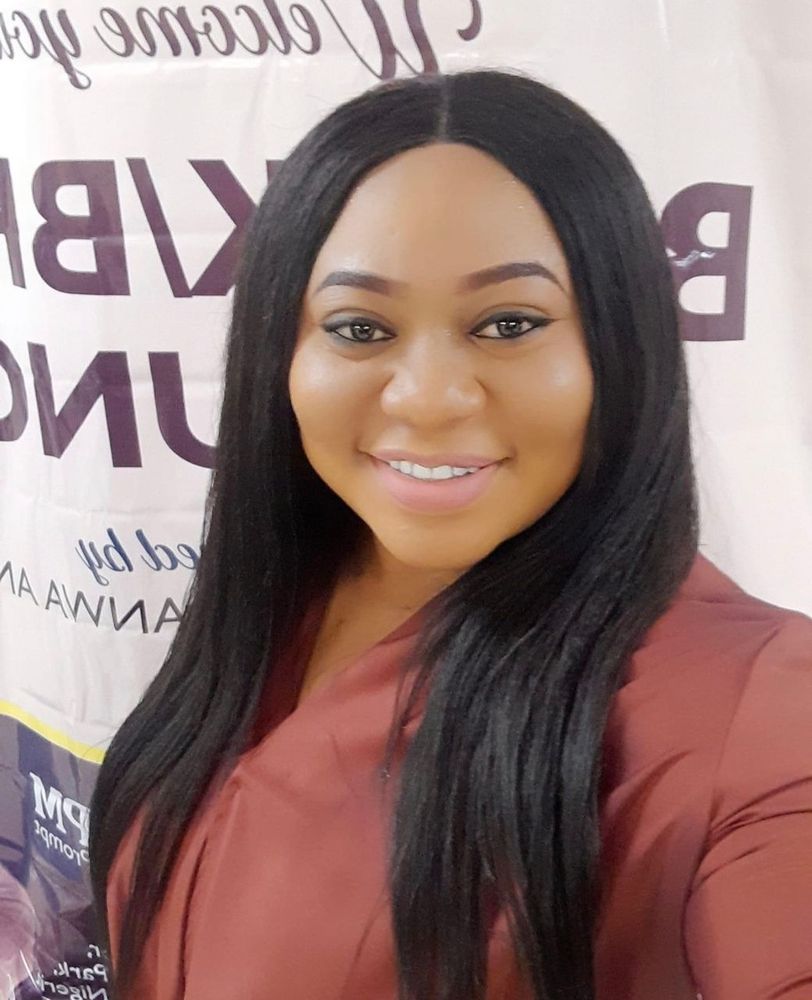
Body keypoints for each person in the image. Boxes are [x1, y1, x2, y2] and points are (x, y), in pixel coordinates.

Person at [88, 68, 812, 1000]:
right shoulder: (280, 590)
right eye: (359, 329)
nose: (428, 399)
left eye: (509, 323)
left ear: (617, 346)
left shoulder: (755, 705)